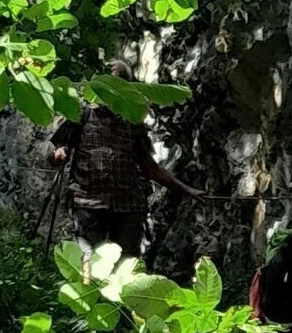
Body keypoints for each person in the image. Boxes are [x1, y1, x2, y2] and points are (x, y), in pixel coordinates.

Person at [49, 107, 203, 262]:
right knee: (91, 260)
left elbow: (150, 168)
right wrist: (57, 155)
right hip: (88, 204)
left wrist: (187, 190)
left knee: (127, 263)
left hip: (129, 205)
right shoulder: (80, 115)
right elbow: (55, 154)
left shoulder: (132, 121)